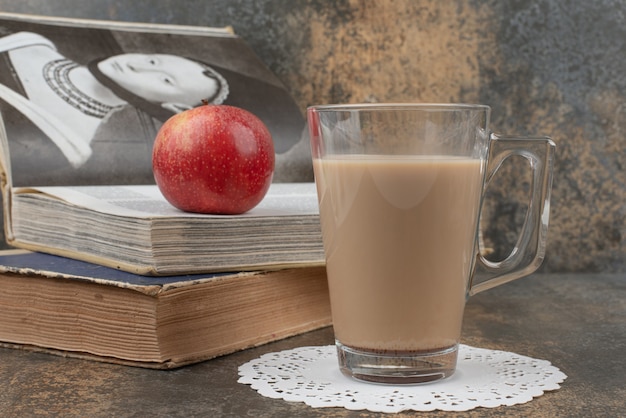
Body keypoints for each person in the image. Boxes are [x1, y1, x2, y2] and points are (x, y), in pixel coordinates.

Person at [0, 31, 309, 186]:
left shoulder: (68, 144)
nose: (137, 67)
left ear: (174, 107)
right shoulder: (33, 41)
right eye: (153, 61)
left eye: (163, 79)